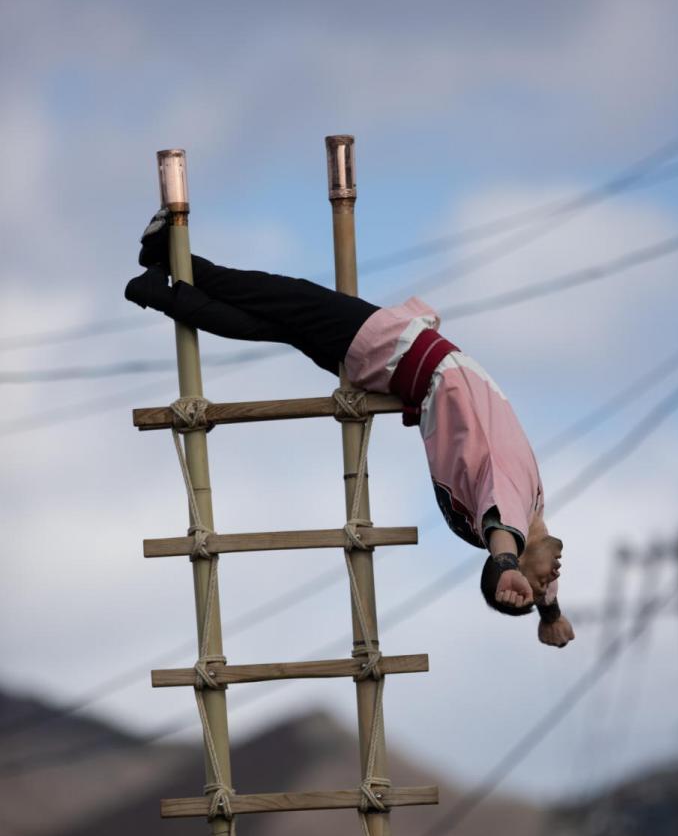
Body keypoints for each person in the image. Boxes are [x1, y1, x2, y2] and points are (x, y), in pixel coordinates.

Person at [126, 210, 575, 649]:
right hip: (395, 360)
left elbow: (501, 530)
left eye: (540, 583)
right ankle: (160, 289)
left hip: (392, 351)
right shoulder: (532, 507)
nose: (553, 576)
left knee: (281, 297)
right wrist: (549, 613)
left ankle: (166, 257)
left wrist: (506, 565)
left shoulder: (507, 503)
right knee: (274, 323)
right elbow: (528, 555)